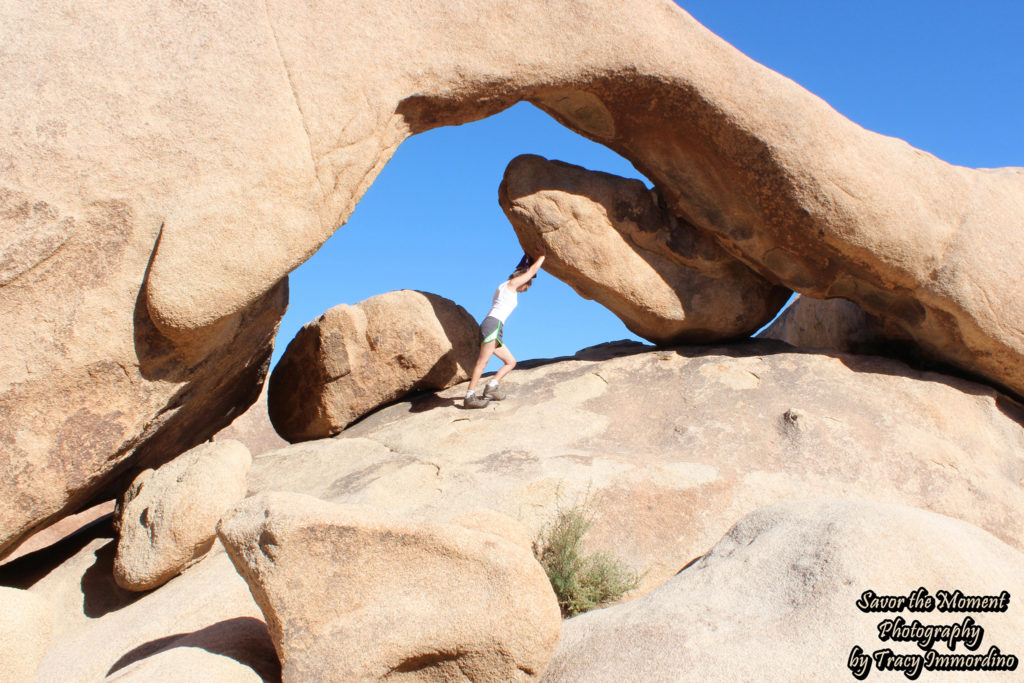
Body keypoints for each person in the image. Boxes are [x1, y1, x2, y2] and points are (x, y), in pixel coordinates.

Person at [464, 250, 546, 408]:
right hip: (493, 325)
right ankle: (469, 396)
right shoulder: (511, 285)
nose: (524, 291)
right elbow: (532, 271)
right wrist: (543, 255)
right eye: (526, 288)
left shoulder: (504, 285)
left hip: (493, 325)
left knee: (510, 362)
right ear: (522, 282)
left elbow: (523, 269)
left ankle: (491, 388)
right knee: (482, 362)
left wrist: (527, 258)